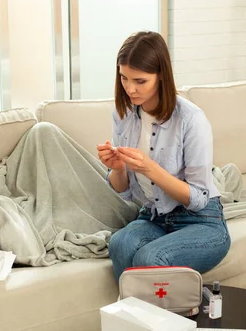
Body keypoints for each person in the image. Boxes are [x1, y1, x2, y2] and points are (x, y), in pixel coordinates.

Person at [97, 31, 231, 281]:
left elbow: (199, 199)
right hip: (154, 216)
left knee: (149, 259)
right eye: (124, 78)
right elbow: (124, 191)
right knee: (120, 244)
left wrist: (150, 169)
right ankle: (132, 318)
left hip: (201, 221)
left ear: (161, 77)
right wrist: (118, 168)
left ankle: (158, 319)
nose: (129, 89)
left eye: (140, 81)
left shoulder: (191, 119)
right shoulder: (122, 115)